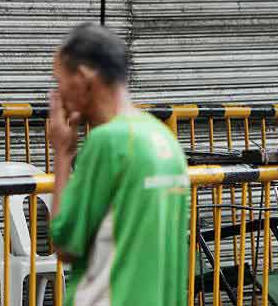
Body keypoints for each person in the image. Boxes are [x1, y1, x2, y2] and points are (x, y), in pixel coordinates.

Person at [49, 23, 189, 306]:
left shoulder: (108, 142)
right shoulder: (164, 138)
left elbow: (65, 243)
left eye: (60, 81)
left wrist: (62, 154)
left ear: (83, 77)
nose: (58, 94)